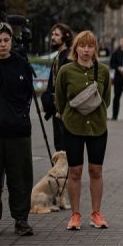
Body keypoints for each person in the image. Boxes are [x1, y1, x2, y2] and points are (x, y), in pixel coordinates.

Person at [55, 31, 111, 231]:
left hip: (97, 127)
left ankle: (96, 214)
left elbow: (107, 98)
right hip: (73, 127)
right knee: (75, 171)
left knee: (96, 170)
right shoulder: (66, 71)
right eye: (82, 46)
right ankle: (75, 215)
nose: (86, 50)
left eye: (90, 46)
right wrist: (66, 115)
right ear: (76, 48)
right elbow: (60, 99)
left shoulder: (103, 71)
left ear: (95, 48)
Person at [0, 23, 34, 237]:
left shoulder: (21, 64)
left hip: (18, 131)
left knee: (20, 177)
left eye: (6, 40)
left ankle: (21, 219)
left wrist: (19, 115)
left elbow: (28, 93)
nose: (3, 44)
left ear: (11, 41)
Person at [45, 23, 73, 151]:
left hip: (65, 110)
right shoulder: (58, 56)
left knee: (65, 146)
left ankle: (65, 171)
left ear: (66, 36)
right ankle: (61, 170)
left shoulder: (69, 57)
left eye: (56, 34)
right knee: (59, 145)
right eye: (52, 34)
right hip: (56, 109)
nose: (53, 37)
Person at [109, 35, 123, 120]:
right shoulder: (115, 52)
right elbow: (111, 64)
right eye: (122, 41)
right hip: (118, 77)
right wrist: (118, 67)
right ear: (120, 42)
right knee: (116, 96)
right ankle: (114, 116)